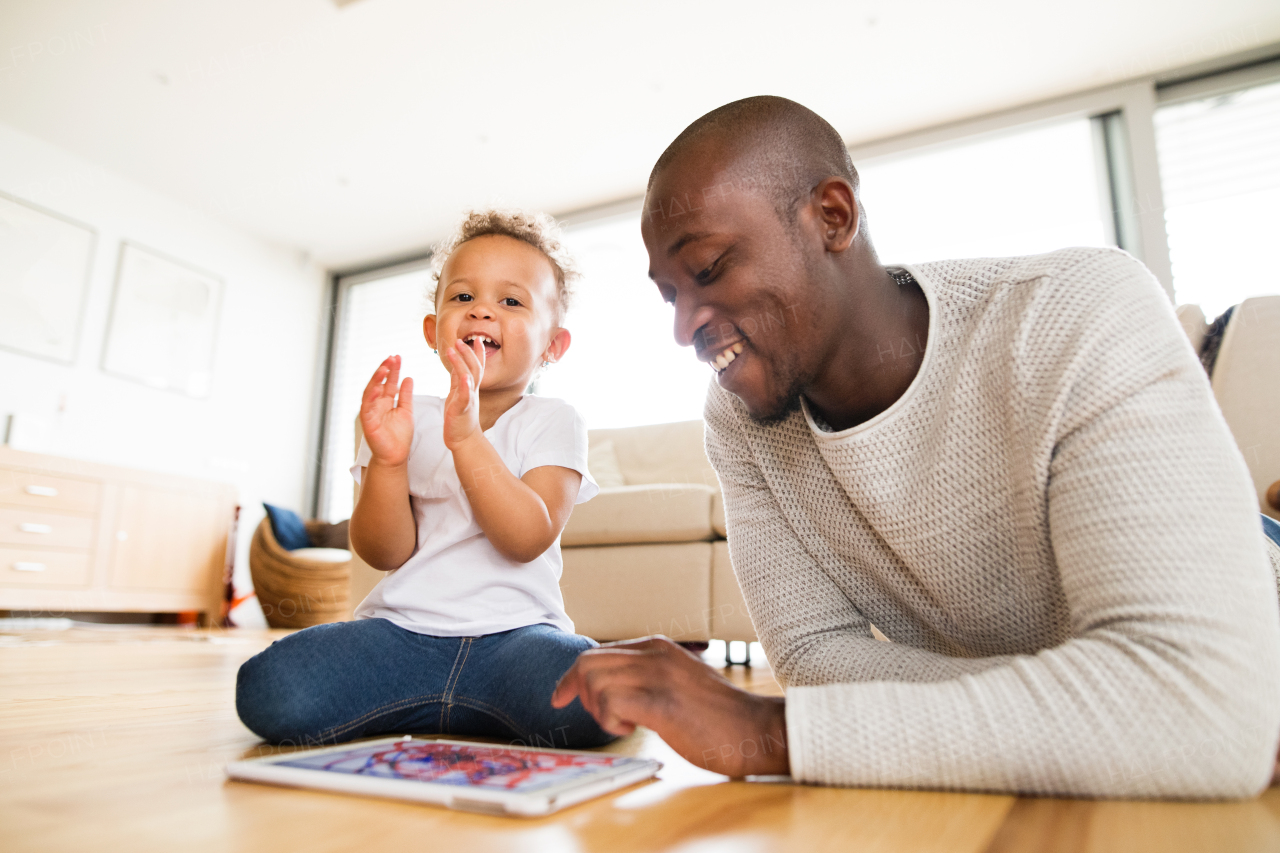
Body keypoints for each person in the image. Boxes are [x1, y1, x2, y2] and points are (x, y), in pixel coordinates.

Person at [552, 96, 1280, 798]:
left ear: (831, 217)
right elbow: (815, 658)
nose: (684, 327)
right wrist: (1098, 704)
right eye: (669, 294)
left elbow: (1202, 707)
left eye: (709, 270)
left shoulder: (1076, 310)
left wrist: (767, 729)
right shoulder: (740, 418)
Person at [237, 210, 613, 750]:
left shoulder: (553, 421)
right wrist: (387, 462)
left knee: (595, 694)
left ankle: (464, 705)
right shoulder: (406, 418)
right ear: (433, 332)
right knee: (268, 689)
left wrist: (465, 437)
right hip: (398, 639)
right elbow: (381, 550)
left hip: (514, 642)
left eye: (511, 301)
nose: (482, 309)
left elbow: (526, 537)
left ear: (554, 345)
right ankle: (443, 706)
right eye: (463, 298)